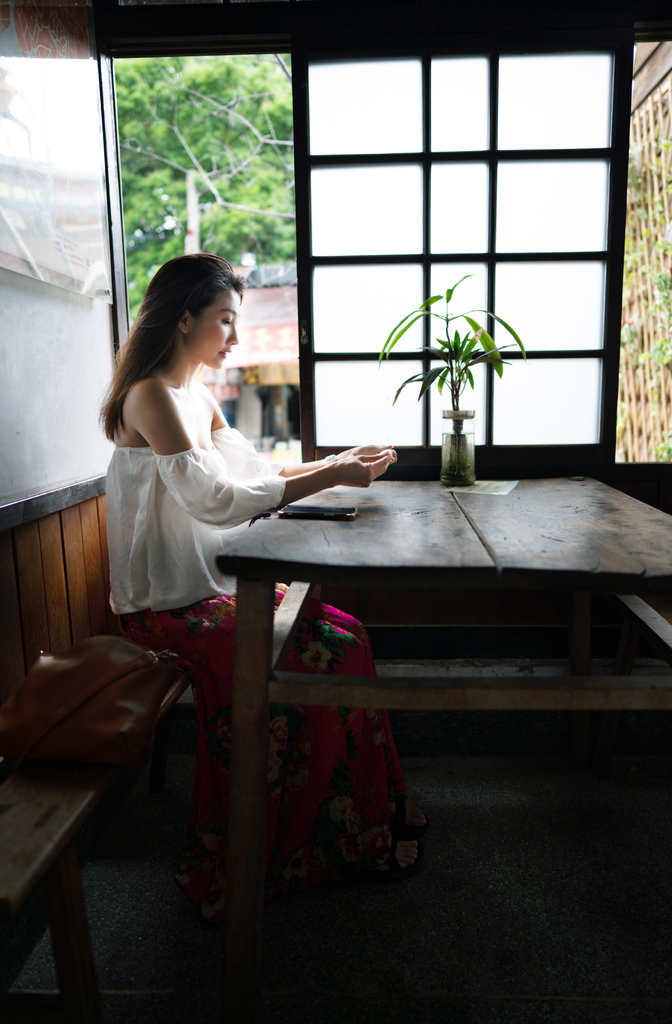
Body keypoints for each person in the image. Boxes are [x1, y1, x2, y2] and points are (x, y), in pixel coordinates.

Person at [100, 252, 428, 919]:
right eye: (224, 321)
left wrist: (338, 461)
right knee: (313, 656)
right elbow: (219, 501)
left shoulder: (194, 395)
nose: (234, 337)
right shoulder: (151, 396)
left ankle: (368, 819)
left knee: (348, 635)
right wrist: (334, 475)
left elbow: (253, 474)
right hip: (164, 610)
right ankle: (297, 848)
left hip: (208, 592)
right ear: (184, 316)